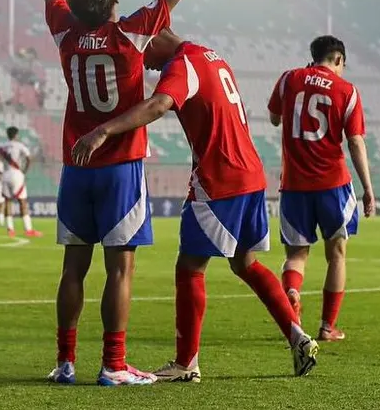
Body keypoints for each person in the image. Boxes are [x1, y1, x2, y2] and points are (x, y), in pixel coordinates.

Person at [24, 0, 224, 386]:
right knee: (120, 269)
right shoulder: (132, 35)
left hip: (76, 167)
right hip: (120, 166)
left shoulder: (64, 33)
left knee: (73, 267)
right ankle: (113, 364)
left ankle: (64, 362)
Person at [72, 30, 319, 381]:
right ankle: (298, 336)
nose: (149, 65)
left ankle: (186, 363)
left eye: (146, 55)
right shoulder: (211, 55)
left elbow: (159, 104)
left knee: (189, 268)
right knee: (246, 263)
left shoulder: (181, 64)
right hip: (250, 174)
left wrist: (104, 131)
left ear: (156, 38)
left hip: (219, 180)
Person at [268, 35, 375, 343]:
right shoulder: (347, 91)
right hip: (333, 185)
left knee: (296, 255)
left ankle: (291, 294)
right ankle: (328, 327)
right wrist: (368, 188)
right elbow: (355, 141)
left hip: (294, 185)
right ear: (339, 59)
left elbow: (275, 118)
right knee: (337, 254)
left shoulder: (290, 79)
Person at [0, 127, 41, 238]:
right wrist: (24, 171)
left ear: (7, 135)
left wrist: (0, 172)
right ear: (16, 135)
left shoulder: (1, 147)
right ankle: (28, 229)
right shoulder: (20, 146)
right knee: (22, 201)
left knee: (8, 201)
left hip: (6, 175)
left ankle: (10, 229)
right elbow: (29, 158)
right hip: (17, 174)